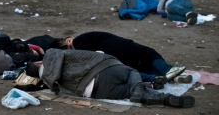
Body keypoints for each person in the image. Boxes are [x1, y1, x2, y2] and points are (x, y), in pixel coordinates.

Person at [26, 49, 195, 108]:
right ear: (40, 62)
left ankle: (165, 99)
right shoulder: (51, 55)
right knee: (131, 73)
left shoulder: (50, 82)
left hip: (94, 92)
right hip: (103, 71)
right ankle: (138, 89)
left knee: (129, 91)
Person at [58, 31, 192, 84]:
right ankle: (169, 71)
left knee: (134, 69)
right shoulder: (80, 41)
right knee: (148, 54)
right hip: (122, 49)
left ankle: (164, 77)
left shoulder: (81, 44)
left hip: (118, 57)